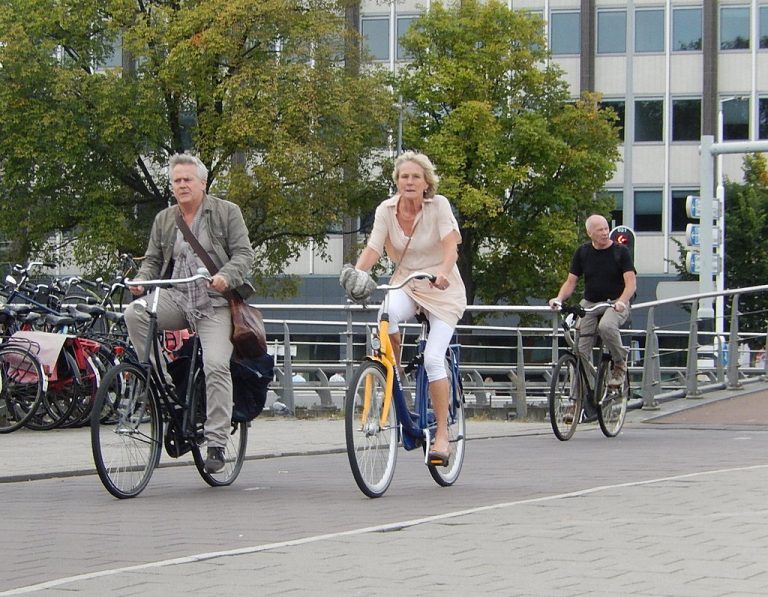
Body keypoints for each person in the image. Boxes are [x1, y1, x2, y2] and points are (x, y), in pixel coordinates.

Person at [124, 153, 255, 474]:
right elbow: (152, 260)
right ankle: (162, 383)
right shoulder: (165, 219)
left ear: (202, 183)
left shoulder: (226, 212)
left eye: (187, 180)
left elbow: (244, 254)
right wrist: (142, 281)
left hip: (215, 303)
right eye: (176, 181)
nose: (181, 185)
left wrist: (227, 275)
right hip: (178, 297)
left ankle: (216, 441)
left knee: (215, 365)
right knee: (135, 313)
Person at [340, 151, 467, 466]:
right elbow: (373, 248)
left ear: (426, 183)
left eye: (415, 177)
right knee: (386, 316)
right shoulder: (386, 209)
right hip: (407, 282)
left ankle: (441, 437)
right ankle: (393, 373)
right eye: (403, 177)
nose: (409, 182)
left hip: (441, 287)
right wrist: (360, 274)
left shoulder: (439, 206)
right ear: (396, 181)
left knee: (435, 359)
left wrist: (442, 273)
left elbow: (451, 247)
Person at [549, 214, 636, 398]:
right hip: (590, 302)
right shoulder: (583, 252)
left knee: (606, 327)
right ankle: (578, 399)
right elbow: (571, 282)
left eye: (606, 229)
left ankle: (619, 362)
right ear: (590, 233)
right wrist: (558, 298)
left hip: (615, 302)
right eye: (600, 230)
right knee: (579, 351)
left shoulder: (621, 252)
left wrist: (621, 301)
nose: (605, 233)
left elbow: (631, 283)